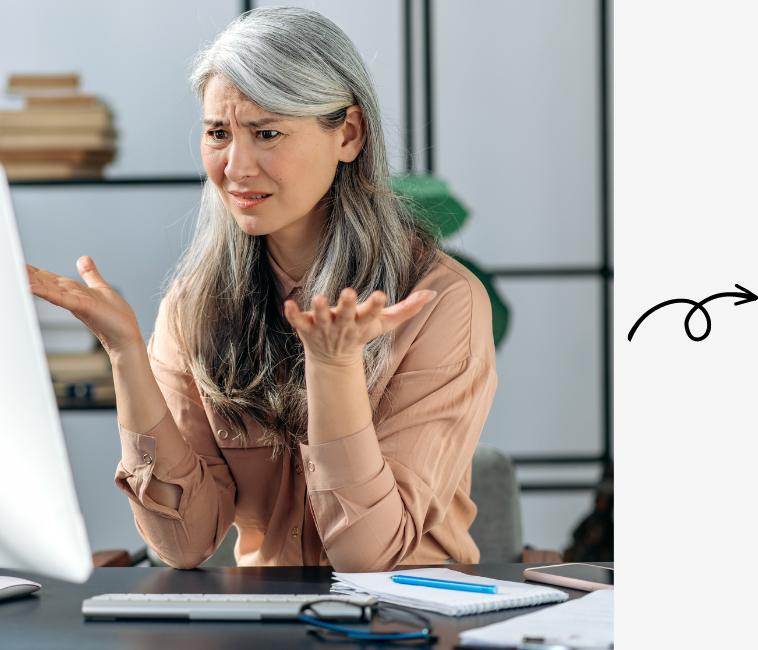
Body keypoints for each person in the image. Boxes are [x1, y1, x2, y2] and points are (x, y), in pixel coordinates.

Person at [24, 7, 496, 572]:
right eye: (218, 134)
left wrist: (335, 367)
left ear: (348, 134)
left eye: (267, 133)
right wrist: (126, 352)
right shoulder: (194, 306)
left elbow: (368, 556)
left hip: (411, 618)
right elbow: (183, 543)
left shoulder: (440, 301)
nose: (235, 166)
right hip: (262, 620)